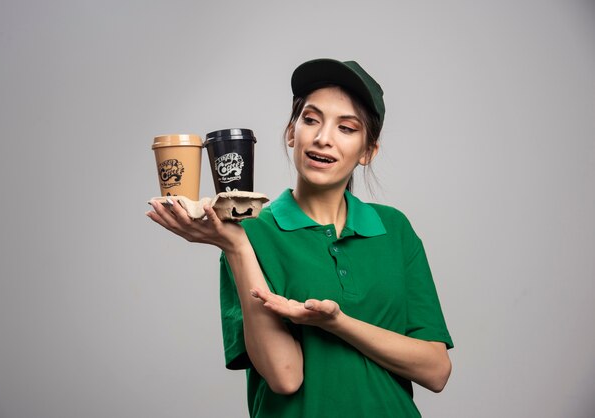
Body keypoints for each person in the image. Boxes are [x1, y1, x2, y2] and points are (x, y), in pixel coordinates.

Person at [146, 58, 454, 417]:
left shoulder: (394, 229)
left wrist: (336, 322)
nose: (323, 138)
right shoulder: (251, 232)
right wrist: (236, 246)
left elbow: (436, 370)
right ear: (292, 132)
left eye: (347, 128)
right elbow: (284, 377)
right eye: (311, 120)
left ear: (368, 151)